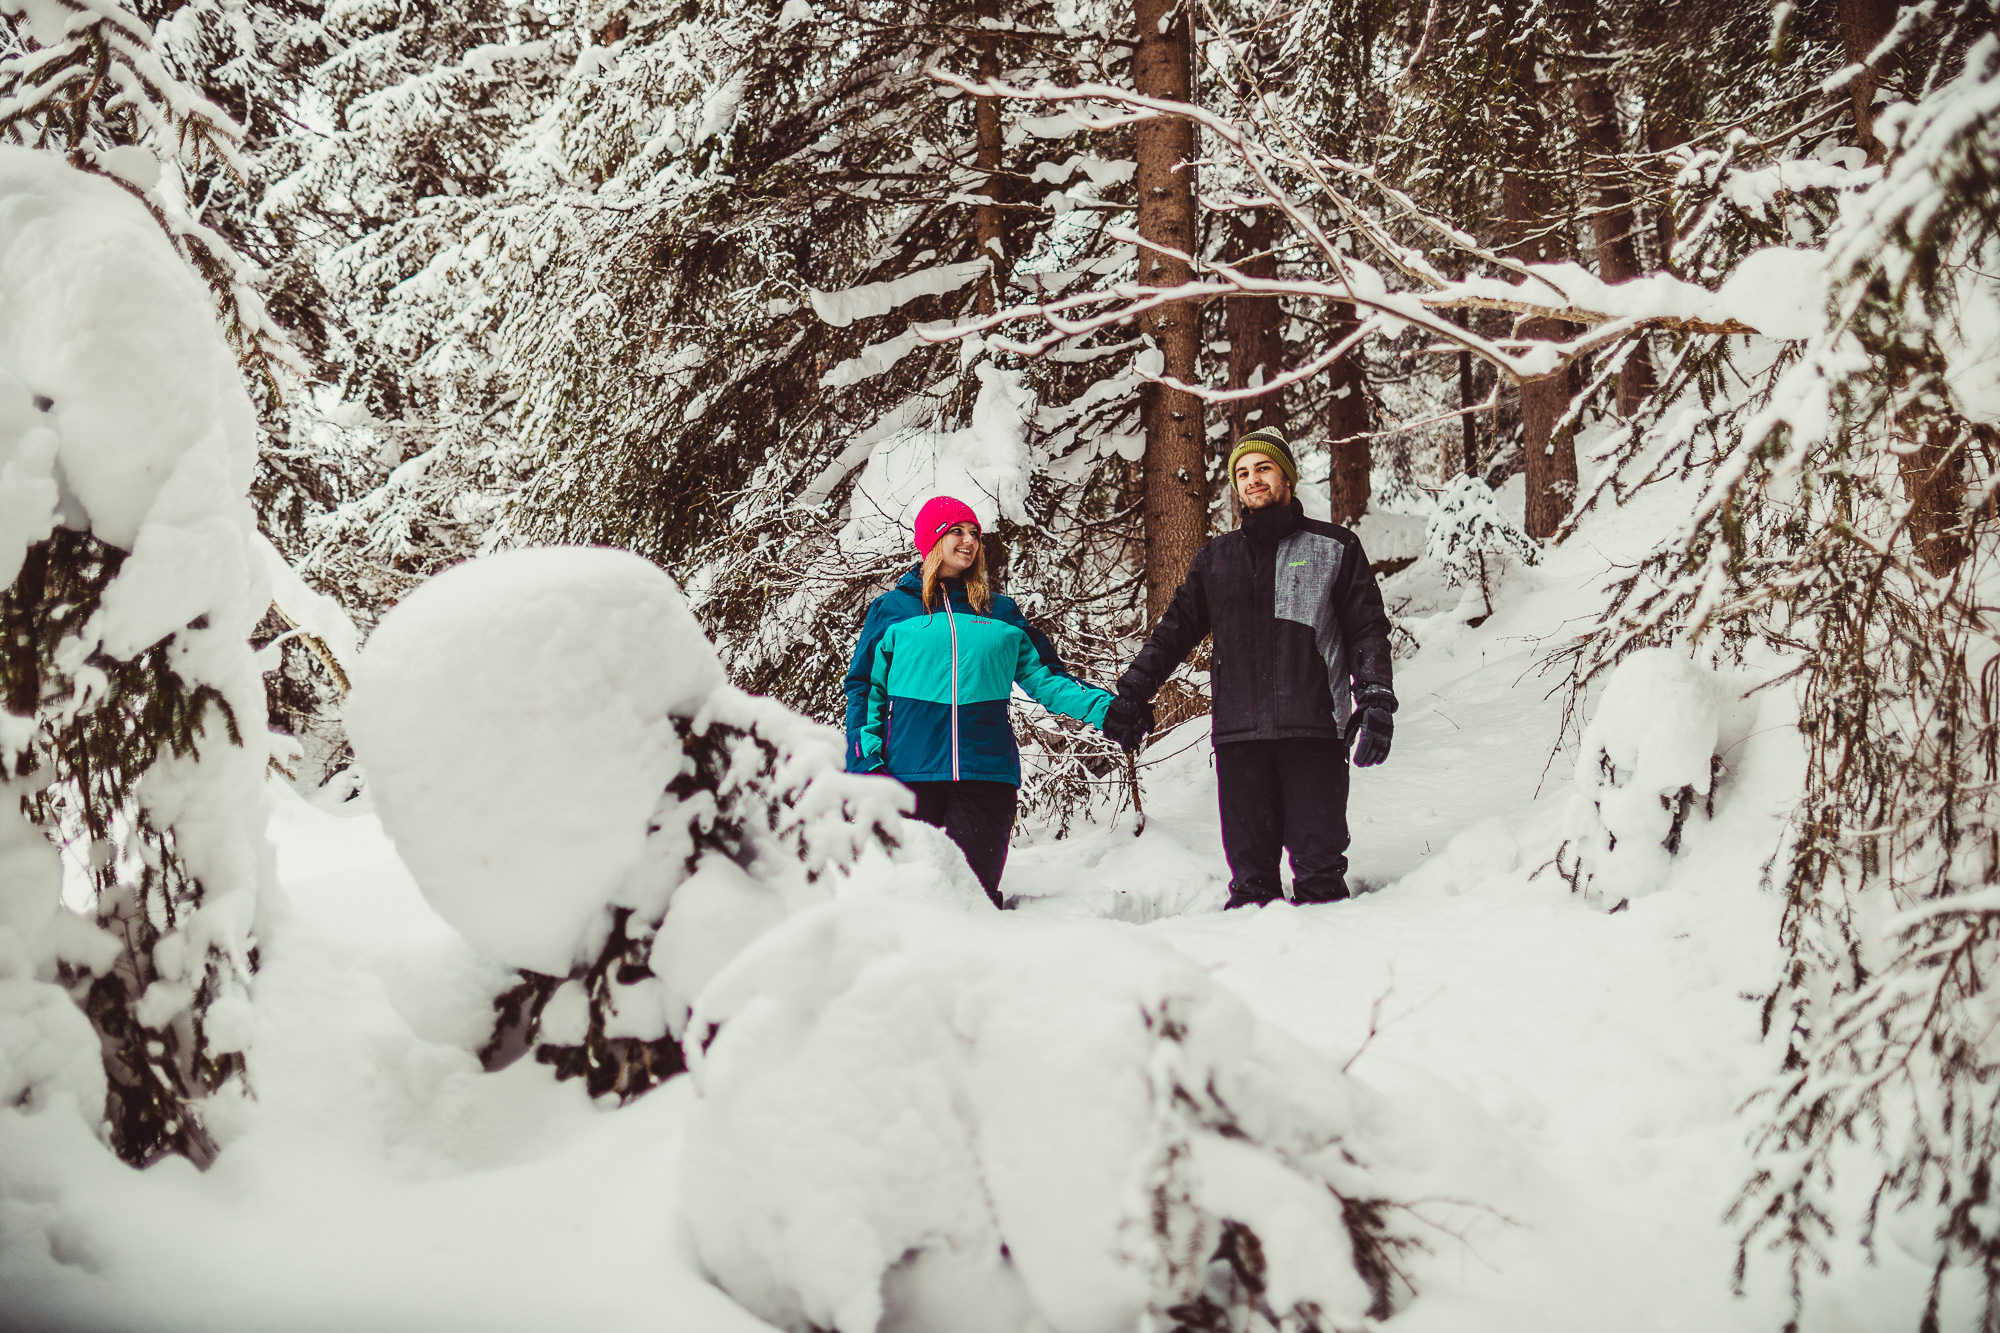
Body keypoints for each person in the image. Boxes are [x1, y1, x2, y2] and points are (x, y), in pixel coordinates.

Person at [1105, 429, 1397, 908]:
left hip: (1315, 733)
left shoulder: (1335, 547)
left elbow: (1367, 630)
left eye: (1263, 468)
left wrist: (1377, 700)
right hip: (1240, 739)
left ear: (1286, 475)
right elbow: (1173, 631)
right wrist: (1134, 690)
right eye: (1242, 473)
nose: (1252, 479)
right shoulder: (1217, 559)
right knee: (1251, 884)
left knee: (1320, 873)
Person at [844, 496, 1125, 906]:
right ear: (931, 540)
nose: (969, 541)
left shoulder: (1000, 613)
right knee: (907, 902)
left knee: (975, 901)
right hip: (908, 775)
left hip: (986, 777)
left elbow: (1047, 679)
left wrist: (1109, 711)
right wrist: (865, 761)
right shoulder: (894, 610)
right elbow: (866, 689)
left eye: (974, 533)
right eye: (956, 531)